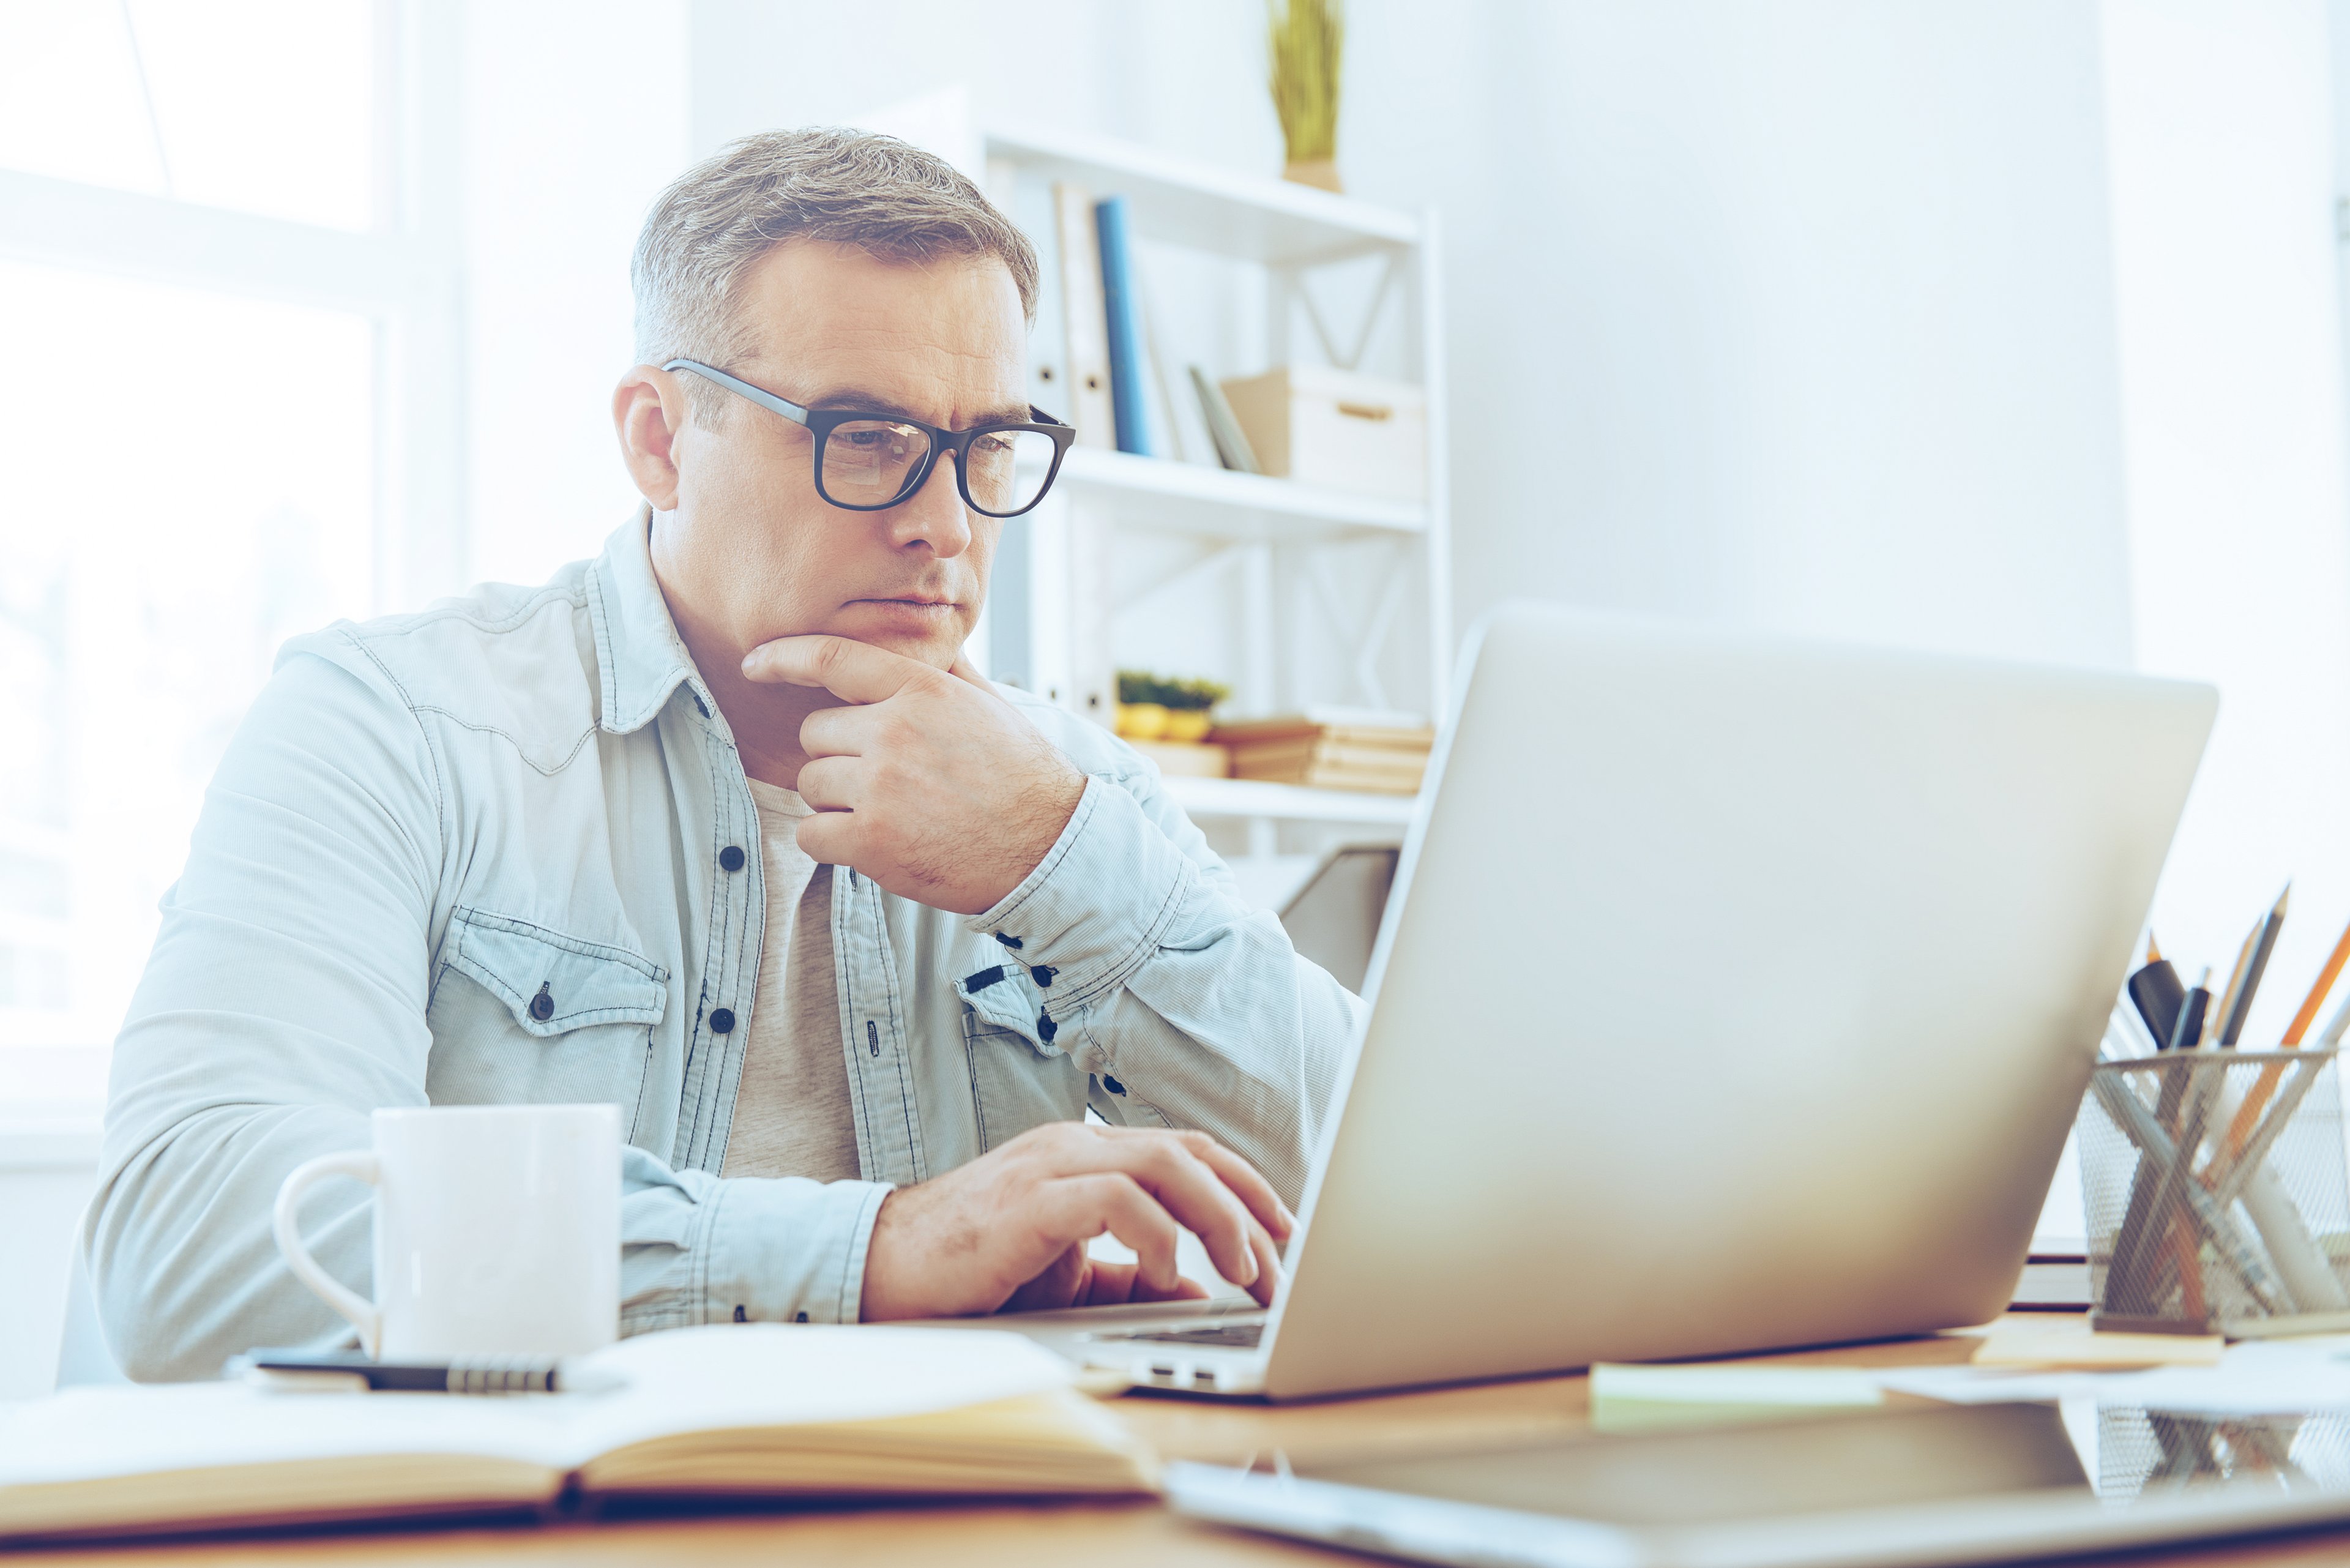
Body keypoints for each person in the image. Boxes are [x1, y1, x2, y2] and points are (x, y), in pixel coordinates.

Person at [90, 129, 1360, 1381]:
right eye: (865, 437)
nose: (943, 526)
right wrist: (873, 1254)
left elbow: (1382, 1188)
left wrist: (1055, 860)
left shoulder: (1065, 792)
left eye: (984, 449)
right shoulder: (389, 723)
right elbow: (193, 1247)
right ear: (658, 440)